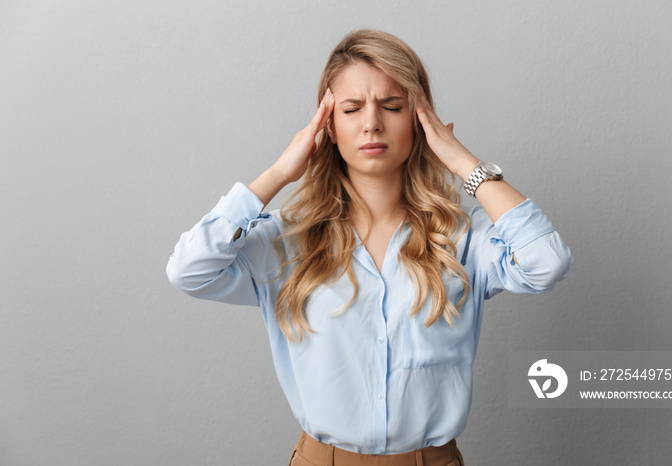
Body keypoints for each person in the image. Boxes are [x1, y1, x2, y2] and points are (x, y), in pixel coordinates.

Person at [166, 29, 572, 466]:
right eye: (352, 108)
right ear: (329, 126)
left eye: (393, 106)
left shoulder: (463, 237)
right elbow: (189, 270)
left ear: (420, 120)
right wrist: (282, 171)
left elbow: (546, 262)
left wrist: (463, 162)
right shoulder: (285, 240)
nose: (372, 123)